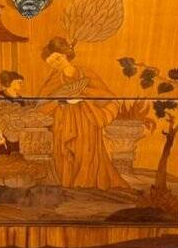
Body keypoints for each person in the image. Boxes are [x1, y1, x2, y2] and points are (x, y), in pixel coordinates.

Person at [37, 37, 124, 191]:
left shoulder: (85, 73)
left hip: (86, 118)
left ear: (65, 54)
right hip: (63, 121)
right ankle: (68, 186)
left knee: (87, 152)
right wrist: (60, 101)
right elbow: (42, 104)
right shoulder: (54, 79)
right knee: (64, 154)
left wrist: (83, 94)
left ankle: (86, 185)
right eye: (51, 63)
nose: (56, 64)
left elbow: (104, 94)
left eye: (57, 58)